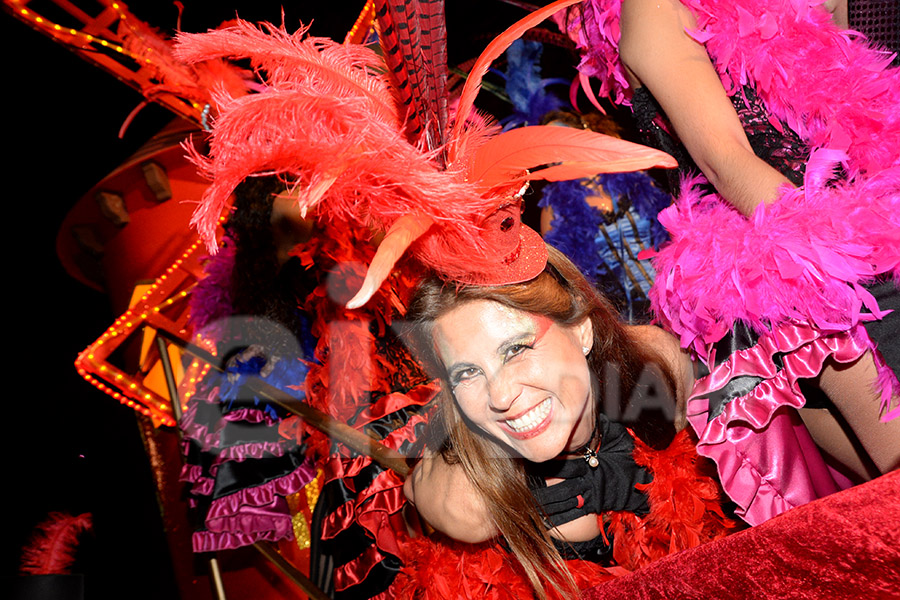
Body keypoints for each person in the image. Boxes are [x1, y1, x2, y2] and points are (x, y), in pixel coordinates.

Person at [555, 0, 900, 526]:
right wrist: (853, 256)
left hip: (867, 224)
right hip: (792, 276)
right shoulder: (651, 7)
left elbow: (853, 101)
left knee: (877, 499)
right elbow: (727, 161)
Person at [402, 245, 735, 599]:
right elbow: (416, 504)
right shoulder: (471, 501)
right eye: (467, 372)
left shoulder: (659, 368)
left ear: (580, 329)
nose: (499, 397)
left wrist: (651, 487)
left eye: (516, 349)